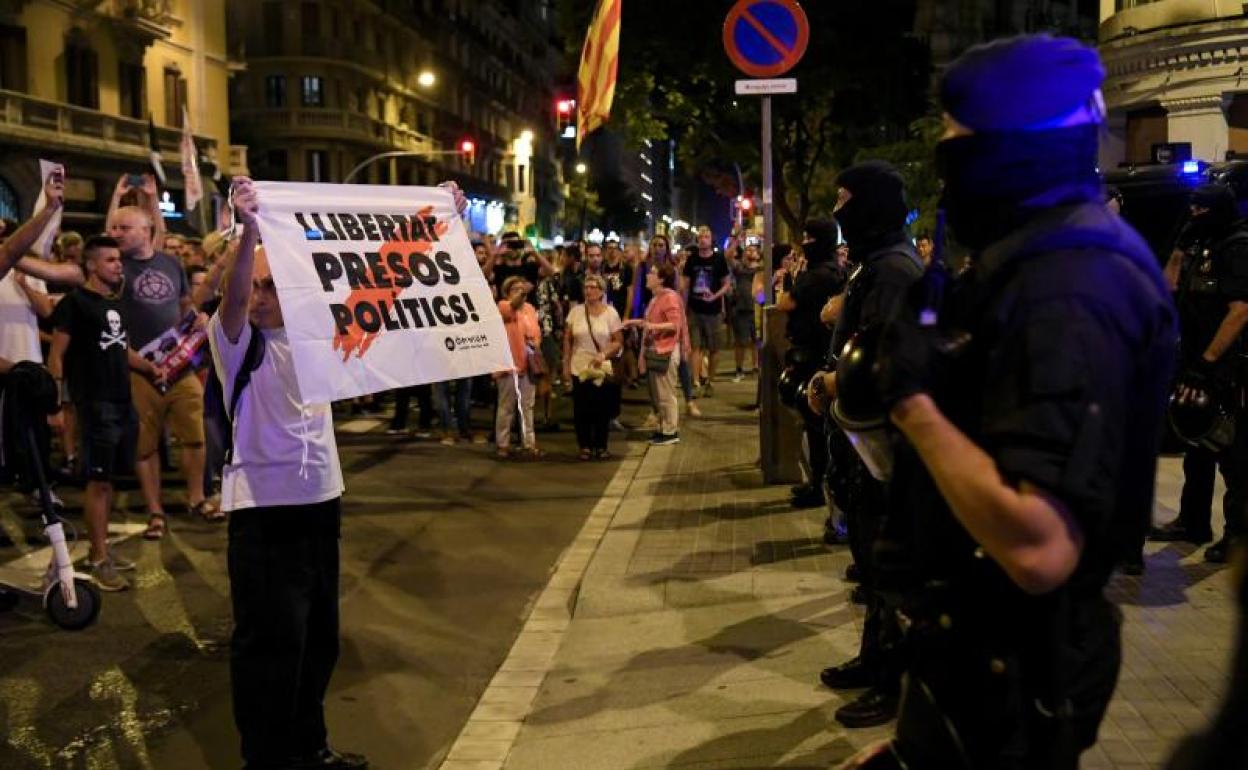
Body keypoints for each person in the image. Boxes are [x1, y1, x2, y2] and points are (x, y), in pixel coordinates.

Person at [837, 34, 1177, 769]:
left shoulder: (1073, 285)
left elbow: (1038, 547)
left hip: (1020, 672)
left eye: (960, 141)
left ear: (1012, 148)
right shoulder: (1036, 260)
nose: (946, 160)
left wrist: (915, 405)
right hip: (978, 663)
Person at [212, 177, 382, 770]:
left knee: (318, 640)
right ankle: (266, 759)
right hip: (263, 510)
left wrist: (444, 223)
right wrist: (250, 230)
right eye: (253, 285)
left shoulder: (322, 338)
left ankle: (310, 747)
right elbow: (230, 301)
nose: (257, 297)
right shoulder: (234, 341)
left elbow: (392, 293)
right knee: (269, 646)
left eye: (268, 286)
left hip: (319, 503)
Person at [805, 165, 922, 729]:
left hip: (884, 448)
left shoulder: (895, 270)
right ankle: (874, 658)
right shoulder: (876, 265)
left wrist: (833, 384)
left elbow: (886, 360)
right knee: (870, 563)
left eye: (845, 198)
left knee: (887, 568)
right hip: (859, 442)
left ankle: (892, 683)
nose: (838, 209)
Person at [48, 236, 154, 592]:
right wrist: (55, 404)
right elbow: (57, 356)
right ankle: (97, 559)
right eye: (110, 260)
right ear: (92, 265)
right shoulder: (74, 304)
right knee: (99, 483)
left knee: (110, 482)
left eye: (118, 259)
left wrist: (152, 368)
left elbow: (121, 350)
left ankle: (101, 548)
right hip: (94, 404)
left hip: (122, 400)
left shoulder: (116, 303)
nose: (118, 265)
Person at [1150, 183, 1248, 564]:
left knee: (1235, 454)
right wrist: (1177, 247)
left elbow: (1239, 312)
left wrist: (1209, 361)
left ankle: (1238, 535)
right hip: (1196, 362)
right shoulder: (1199, 243)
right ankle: (1193, 522)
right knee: (1195, 444)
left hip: (1228, 366)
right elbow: (1166, 288)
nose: (1193, 214)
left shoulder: (1237, 246)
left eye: (1200, 209)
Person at [108, 205, 218, 538]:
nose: (116, 233)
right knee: (146, 446)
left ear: (146, 230)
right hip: (139, 369)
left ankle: (197, 497)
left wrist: (194, 318)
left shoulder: (170, 263)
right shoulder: (114, 269)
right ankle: (155, 511)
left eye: (124, 228)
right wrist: (141, 364)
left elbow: (184, 303)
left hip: (179, 367)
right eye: (114, 228)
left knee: (195, 436)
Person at [778, 218, 848, 511]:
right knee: (818, 426)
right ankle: (818, 484)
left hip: (814, 358)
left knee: (815, 425)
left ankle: (819, 486)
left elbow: (785, 303)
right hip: (825, 354)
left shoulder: (816, 275)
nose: (804, 243)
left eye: (809, 238)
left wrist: (791, 279)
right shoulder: (837, 272)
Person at [563, 274, 623, 460]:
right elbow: (568, 339)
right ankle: (585, 446)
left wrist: (603, 354)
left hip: (601, 368)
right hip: (579, 367)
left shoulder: (610, 313)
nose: (588, 291)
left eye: (593, 287)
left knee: (601, 409)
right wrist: (565, 363)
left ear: (601, 291)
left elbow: (618, 341)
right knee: (581, 409)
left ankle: (601, 445)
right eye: (586, 287)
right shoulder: (575, 312)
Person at [628, 264, 687, 445]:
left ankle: (670, 431)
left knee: (666, 393)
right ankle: (663, 428)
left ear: (661, 279)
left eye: (652, 273)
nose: (647, 276)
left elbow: (674, 324)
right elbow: (650, 321)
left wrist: (651, 326)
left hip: (666, 351)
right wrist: (634, 322)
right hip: (656, 351)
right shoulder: (656, 298)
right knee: (658, 393)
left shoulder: (669, 297)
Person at [494, 275, 542, 459]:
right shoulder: (503, 306)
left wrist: (535, 343)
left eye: (522, 290)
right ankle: (503, 444)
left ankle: (529, 444)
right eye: (515, 290)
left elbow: (536, 332)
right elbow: (510, 309)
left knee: (527, 406)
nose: (521, 294)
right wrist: (522, 293)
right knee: (507, 407)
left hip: (529, 364)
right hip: (509, 365)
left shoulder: (530, 308)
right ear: (507, 293)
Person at [681, 226, 730, 395]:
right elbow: (686, 286)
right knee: (695, 346)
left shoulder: (719, 259)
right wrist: (683, 308)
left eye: (706, 236)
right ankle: (695, 381)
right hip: (695, 309)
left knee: (714, 348)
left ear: (711, 239)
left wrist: (715, 296)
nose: (703, 239)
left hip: (713, 310)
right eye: (700, 236)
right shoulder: (692, 260)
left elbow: (726, 284)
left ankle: (711, 380)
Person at [728, 243, 762, 382]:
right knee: (741, 342)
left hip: (756, 308)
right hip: (741, 308)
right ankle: (739, 369)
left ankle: (756, 367)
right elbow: (729, 256)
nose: (750, 252)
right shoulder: (739, 268)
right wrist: (736, 239)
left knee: (757, 341)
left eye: (753, 250)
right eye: (748, 250)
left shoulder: (762, 269)